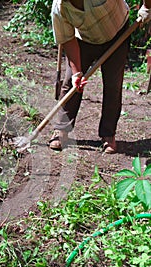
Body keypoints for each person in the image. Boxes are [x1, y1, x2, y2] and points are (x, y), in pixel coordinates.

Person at [50, 0, 151, 154]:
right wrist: (77, 73)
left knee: (113, 86)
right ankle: (61, 130)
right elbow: (67, 39)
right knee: (70, 83)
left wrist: (147, 7)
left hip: (118, 34)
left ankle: (108, 135)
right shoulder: (59, 9)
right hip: (83, 40)